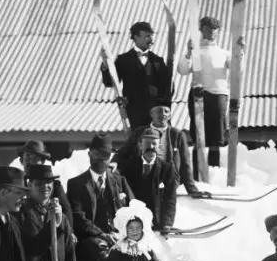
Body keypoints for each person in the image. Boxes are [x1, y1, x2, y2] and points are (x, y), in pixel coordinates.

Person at [177, 16, 238, 169]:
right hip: (198, 94)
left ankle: (214, 170)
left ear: (218, 31)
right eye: (207, 28)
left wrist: (240, 51)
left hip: (218, 95)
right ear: (201, 29)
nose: (210, 32)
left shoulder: (224, 53)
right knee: (199, 134)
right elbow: (182, 70)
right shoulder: (196, 52)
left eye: (214, 29)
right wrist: (188, 52)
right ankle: (198, 173)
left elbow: (238, 69)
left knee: (217, 135)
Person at [67, 132, 133, 261]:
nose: (101, 159)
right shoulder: (76, 184)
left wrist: (122, 233)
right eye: (97, 154)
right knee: (103, 249)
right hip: (91, 242)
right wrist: (102, 234)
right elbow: (79, 218)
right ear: (89, 154)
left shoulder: (120, 181)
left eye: (106, 155)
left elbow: (133, 210)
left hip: (119, 236)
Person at [114, 104, 209, 198]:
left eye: (166, 111)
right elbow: (123, 152)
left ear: (170, 115)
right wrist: (113, 165)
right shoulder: (140, 132)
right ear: (151, 114)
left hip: (169, 180)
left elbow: (185, 163)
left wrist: (191, 189)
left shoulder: (177, 135)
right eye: (159, 111)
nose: (163, 114)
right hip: (143, 178)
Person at [100, 21, 173, 130]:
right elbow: (110, 82)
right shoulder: (123, 60)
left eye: (151, 36)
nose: (151, 39)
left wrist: (164, 107)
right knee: (137, 143)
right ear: (136, 37)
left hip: (156, 114)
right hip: (134, 112)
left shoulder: (158, 61)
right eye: (147, 36)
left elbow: (168, 87)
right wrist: (106, 65)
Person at [116, 128, 178, 234]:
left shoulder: (167, 169)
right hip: (134, 223)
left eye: (154, 144)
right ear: (140, 145)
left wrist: (167, 223)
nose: (150, 147)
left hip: (157, 224)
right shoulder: (128, 167)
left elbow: (170, 198)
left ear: (159, 147)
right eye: (147, 144)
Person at [15, 140, 73, 229]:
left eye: (35, 159)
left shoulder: (54, 185)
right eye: (27, 157)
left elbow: (66, 209)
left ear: (42, 162)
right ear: (21, 160)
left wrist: (70, 232)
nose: (30, 162)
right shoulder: (15, 185)